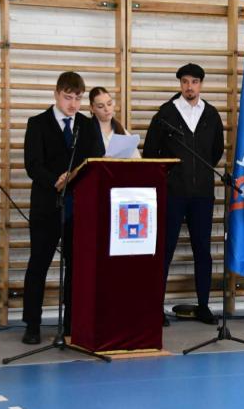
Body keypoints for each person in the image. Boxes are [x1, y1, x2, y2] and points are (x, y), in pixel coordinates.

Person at [22, 71, 104, 345]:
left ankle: (71, 323)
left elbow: (96, 158)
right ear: (56, 94)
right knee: (39, 264)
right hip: (47, 204)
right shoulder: (37, 123)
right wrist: (54, 181)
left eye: (78, 99)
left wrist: (77, 179)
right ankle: (32, 324)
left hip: (78, 206)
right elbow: (32, 164)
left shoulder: (87, 125)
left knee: (76, 266)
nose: (73, 104)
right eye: (68, 97)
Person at [143, 63, 224, 325]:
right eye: (185, 82)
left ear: (201, 84)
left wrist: (200, 173)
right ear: (180, 84)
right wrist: (170, 177)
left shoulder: (211, 114)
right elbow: (150, 153)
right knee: (164, 250)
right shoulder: (165, 113)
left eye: (194, 82)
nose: (190, 87)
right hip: (173, 193)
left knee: (203, 250)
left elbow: (216, 151)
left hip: (202, 194)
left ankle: (204, 306)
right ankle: (155, 308)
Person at [89, 86, 141, 158]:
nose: (107, 109)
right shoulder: (86, 130)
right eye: (101, 106)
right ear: (92, 108)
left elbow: (136, 158)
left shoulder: (121, 130)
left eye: (109, 104)